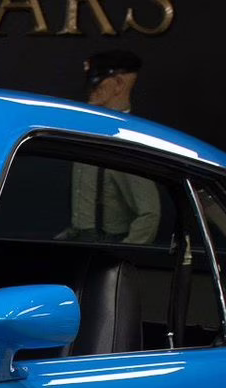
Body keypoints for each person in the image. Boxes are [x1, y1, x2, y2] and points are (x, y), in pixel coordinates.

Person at [64, 50, 161, 245]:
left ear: (118, 84)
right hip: (81, 244)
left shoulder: (126, 142)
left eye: (97, 83)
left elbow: (149, 214)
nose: (91, 91)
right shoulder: (91, 133)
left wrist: (121, 254)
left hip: (104, 245)